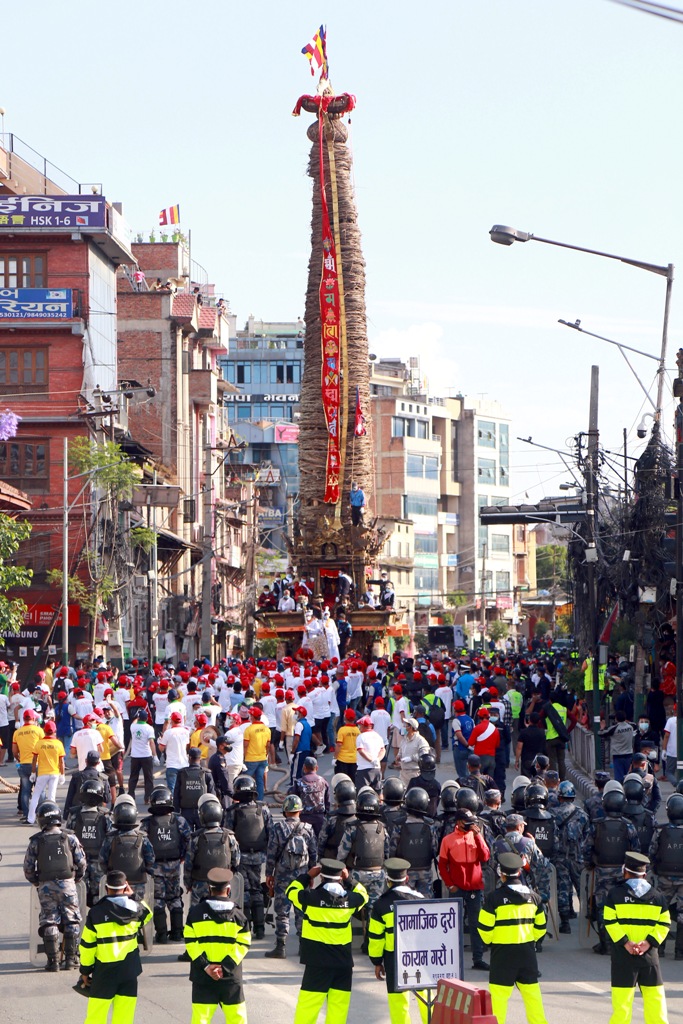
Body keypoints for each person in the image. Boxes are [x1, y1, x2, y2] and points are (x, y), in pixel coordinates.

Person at [286, 859, 368, 1024]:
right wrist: (350, 879)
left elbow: (291, 891)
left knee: (307, 1009)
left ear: (321, 878)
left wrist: (307, 876)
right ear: (340, 878)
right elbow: (364, 895)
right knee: (338, 1011)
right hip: (343, 964)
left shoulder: (309, 898)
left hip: (317, 964)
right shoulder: (350, 900)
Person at [477, 852, 549, 1024]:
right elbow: (541, 929)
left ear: (501, 874)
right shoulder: (535, 898)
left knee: (498, 1000)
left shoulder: (493, 898)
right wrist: (529, 939)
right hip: (526, 952)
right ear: (519, 872)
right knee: (533, 998)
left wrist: (493, 940)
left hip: (502, 954)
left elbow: (484, 928)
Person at [77, 869, 152, 1023]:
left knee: (95, 1017)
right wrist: (133, 896)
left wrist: (85, 970)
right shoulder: (136, 910)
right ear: (125, 887)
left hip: (104, 972)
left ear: (106, 888)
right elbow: (148, 913)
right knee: (124, 1018)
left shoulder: (96, 913)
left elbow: (87, 946)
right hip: (129, 971)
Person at [603, 851, 670, 1024]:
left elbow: (609, 922)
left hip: (622, 957)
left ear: (625, 871)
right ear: (644, 874)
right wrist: (649, 943)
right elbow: (665, 924)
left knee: (622, 1006)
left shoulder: (615, 895)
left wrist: (626, 943)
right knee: (655, 1004)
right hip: (649, 958)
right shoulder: (658, 897)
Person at [23, 800, 86, 971]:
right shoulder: (70, 837)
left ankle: (53, 961)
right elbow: (81, 863)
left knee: (49, 920)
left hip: (45, 885)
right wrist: (76, 878)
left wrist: (37, 882)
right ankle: (71, 959)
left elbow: (28, 868)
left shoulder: (36, 841)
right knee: (72, 920)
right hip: (68, 883)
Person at [184, 867, 251, 1024]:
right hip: (230, 978)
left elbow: (190, 942)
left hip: (203, 976)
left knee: (200, 1019)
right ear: (228, 889)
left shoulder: (195, 913)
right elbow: (243, 944)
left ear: (209, 888)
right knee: (237, 1019)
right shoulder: (239, 917)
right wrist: (224, 967)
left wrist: (207, 966)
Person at [368, 857, 428, 1024]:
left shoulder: (381, 904)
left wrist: (377, 961)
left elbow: (376, 937)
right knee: (426, 998)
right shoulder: (421, 899)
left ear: (388, 881)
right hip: (420, 955)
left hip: (394, 958)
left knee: (398, 1002)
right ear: (406, 878)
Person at [585, 787, 641, 955]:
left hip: (602, 872)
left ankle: (606, 943)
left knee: (603, 908)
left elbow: (586, 848)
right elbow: (636, 850)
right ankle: (622, 942)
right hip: (625, 874)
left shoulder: (597, 825)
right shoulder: (628, 826)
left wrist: (590, 863)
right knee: (623, 906)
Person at [264, 794, 317, 959]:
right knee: (301, 910)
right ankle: (304, 946)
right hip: (302, 875)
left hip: (283, 875)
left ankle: (280, 947)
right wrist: (311, 875)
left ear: (285, 811)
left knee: (282, 911)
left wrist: (269, 874)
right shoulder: (308, 828)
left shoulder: (278, 828)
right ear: (300, 811)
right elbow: (313, 854)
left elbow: (271, 853)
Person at [439, 807, 491, 970]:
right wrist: (450, 885)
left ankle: (478, 959)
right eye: (467, 823)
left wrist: (478, 836)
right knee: (453, 926)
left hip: (475, 888)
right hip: (457, 889)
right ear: (459, 822)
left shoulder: (475, 836)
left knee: (476, 925)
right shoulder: (448, 840)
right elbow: (442, 865)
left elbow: (485, 857)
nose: (470, 825)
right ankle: (451, 959)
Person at [140, 785, 191, 944]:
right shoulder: (179, 821)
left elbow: (142, 844)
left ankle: (161, 934)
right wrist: (182, 856)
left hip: (155, 868)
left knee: (158, 900)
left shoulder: (147, 823)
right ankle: (177, 932)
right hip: (175, 865)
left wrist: (148, 864)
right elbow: (188, 841)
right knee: (175, 897)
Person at [337, 789, 389, 932]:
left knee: (350, 904)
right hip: (378, 874)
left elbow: (342, 853)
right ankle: (370, 940)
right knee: (373, 907)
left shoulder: (352, 828)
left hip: (357, 875)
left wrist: (340, 873)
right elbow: (387, 853)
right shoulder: (382, 829)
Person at [99, 796, 156, 903]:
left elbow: (102, 861)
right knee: (137, 909)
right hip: (138, 882)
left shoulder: (110, 838)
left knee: (116, 908)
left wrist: (110, 874)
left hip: (116, 884)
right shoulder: (142, 838)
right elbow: (151, 860)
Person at [67, 778, 113, 907]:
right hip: (99, 862)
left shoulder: (74, 814)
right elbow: (110, 838)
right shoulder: (105, 815)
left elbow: (68, 836)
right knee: (98, 896)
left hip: (78, 861)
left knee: (79, 895)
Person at [649, 791, 683, 959]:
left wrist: (655, 869)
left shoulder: (660, 831)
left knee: (661, 912)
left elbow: (652, 853)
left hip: (664, 878)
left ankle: (659, 948)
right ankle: (680, 952)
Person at [388, 787, 437, 898]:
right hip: (425, 870)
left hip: (405, 872)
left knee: (406, 900)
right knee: (426, 900)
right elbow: (435, 848)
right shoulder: (430, 825)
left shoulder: (399, 824)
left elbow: (392, 849)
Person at [26, 719, 65, 824]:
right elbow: (61, 761)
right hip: (55, 773)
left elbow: (34, 759)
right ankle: (51, 818)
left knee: (36, 796)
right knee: (51, 796)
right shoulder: (58, 744)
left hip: (42, 773)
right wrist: (62, 774)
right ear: (54, 731)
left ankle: (30, 819)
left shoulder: (39, 743)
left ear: (44, 730)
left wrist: (33, 772)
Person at [173, 747, 216, 831]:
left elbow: (176, 794)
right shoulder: (206, 773)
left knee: (187, 837)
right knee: (202, 835)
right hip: (203, 811)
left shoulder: (182, 773)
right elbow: (212, 794)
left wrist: (176, 813)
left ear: (189, 758)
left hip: (186, 811)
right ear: (200, 759)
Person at [13, 710, 44, 820]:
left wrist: (19, 759)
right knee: (40, 790)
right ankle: (41, 814)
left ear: (23, 719)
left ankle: (27, 814)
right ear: (34, 719)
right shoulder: (39, 731)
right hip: (37, 764)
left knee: (25, 791)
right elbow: (43, 746)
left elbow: (14, 751)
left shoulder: (17, 732)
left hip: (24, 764)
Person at [290, 756, 330, 836]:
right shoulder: (323, 781)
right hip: (319, 818)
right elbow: (327, 802)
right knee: (319, 843)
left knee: (304, 843)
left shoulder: (299, 783)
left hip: (303, 819)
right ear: (316, 768)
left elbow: (294, 802)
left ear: (304, 767)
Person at [126, 708, 157, 804]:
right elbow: (151, 742)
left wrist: (137, 714)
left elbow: (134, 721)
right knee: (148, 778)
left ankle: (131, 796)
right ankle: (147, 798)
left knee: (133, 777)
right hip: (146, 755)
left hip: (135, 756)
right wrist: (155, 755)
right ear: (147, 718)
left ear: (139, 718)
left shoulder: (133, 727)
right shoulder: (149, 728)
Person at [158, 711, 190, 795]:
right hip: (184, 764)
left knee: (172, 789)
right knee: (184, 789)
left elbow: (161, 748)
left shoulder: (168, 733)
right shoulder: (186, 732)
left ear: (171, 721)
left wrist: (159, 740)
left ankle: (174, 806)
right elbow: (187, 746)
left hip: (172, 765)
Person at [600, 711, 636, 784]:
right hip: (629, 755)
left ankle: (620, 791)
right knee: (629, 776)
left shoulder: (614, 729)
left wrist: (602, 728)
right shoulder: (630, 726)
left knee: (619, 778)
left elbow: (601, 734)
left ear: (616, 719)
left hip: (618, 756)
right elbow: (635, 725)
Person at [243, 705, 270, 801]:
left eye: (250, 715)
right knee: (260, 781)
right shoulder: (267, 729)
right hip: (262, 758)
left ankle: (246, 800)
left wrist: (243, 758)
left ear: (253, 717)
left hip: (251, 759)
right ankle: (259, 800)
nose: (249, 717)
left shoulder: (249, 730)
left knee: (245, 780)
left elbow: (245, 746)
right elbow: (268, 745)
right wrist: (265, 755)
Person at [355, 716, 385, 792]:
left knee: (362, 792)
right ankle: (380, 804)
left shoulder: (361, 737)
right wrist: (377, 760)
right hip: (377, 768)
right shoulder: (378, 736)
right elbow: (382, 750)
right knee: (378, 790)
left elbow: (361, 751)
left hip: (363, 769)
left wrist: (371, 760)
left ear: (363, 726)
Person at [397, 717, 430, 785]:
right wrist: (399, 755)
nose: (404, 727)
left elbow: (425, 756)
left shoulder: (420, 741)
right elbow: (401, 750)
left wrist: (411, 758)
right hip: (403, 773)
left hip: (414, 774)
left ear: (411, 727)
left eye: (406, 725)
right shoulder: (404, 739)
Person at [515, 712, 547, 778]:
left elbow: (519, 747)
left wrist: (517, 760)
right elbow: (545, 747)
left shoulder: (523, 732)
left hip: (526, 759)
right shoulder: (542, 732)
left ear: (529, 720)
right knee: (539, 778)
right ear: (539, 721)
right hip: (539, 760)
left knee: (526, 780)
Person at [335, 708, 360, 783]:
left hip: (342, 760)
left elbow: (339, 744)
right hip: (354, 760)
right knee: (352, 782)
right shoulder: (357, 730)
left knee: (342, 782)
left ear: (345, 717)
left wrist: (335, 757)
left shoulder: (342, 730)